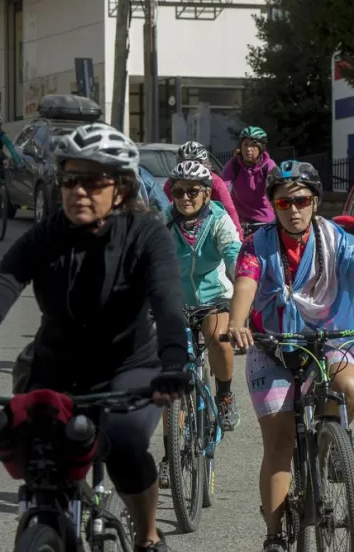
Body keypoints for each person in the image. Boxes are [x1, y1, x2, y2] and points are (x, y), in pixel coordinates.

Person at [0, 122, 190, 552]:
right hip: (55, 366)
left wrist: (174, 365)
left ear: (121, 189)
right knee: (33, 451)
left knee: (124, 446)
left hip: (128, 368)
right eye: (69, 179)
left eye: (93, 181)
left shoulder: (146, 234)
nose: (78, 191)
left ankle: (147, 536)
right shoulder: (45, 236)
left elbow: (169, 304)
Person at [225, 161, 354, 552]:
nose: (293, 209)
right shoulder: (257, 244)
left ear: (314, 202)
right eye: (283, 202)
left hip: (329, 339)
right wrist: (237, 322)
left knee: (350, 385)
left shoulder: (337, 240)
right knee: (280, 440)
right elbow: (245, 283)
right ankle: (274, 535)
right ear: (274, 205)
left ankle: (333, 445)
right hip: (272, 346)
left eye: (301, 200)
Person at [157, 160, 241, 486]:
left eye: (192, 191)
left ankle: (225, 396)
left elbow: (233, 255)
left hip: (214, 296)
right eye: (178, 191)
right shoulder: (164, 220)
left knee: (219, 338)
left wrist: (244, 288)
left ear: (207, 193)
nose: (185, 198)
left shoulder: (219, 219)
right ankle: (170, 456)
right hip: (175, 300)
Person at [164, 141, 242, 238]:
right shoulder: (172, 182)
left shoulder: (215, 182)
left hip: (208, 227)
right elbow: (164, 208)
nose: (189, 169)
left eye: (193, 192)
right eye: (184, 163)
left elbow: (229, 210)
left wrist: (239, 238)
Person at [222, 126, 276, 232]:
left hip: (265, 220)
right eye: (245, 145)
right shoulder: (234, 165)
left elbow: (277, 190)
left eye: (253, 146)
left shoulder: (269, 166)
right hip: (239, 221)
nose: (248, 149)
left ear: (260, 148)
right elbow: (223, 189)